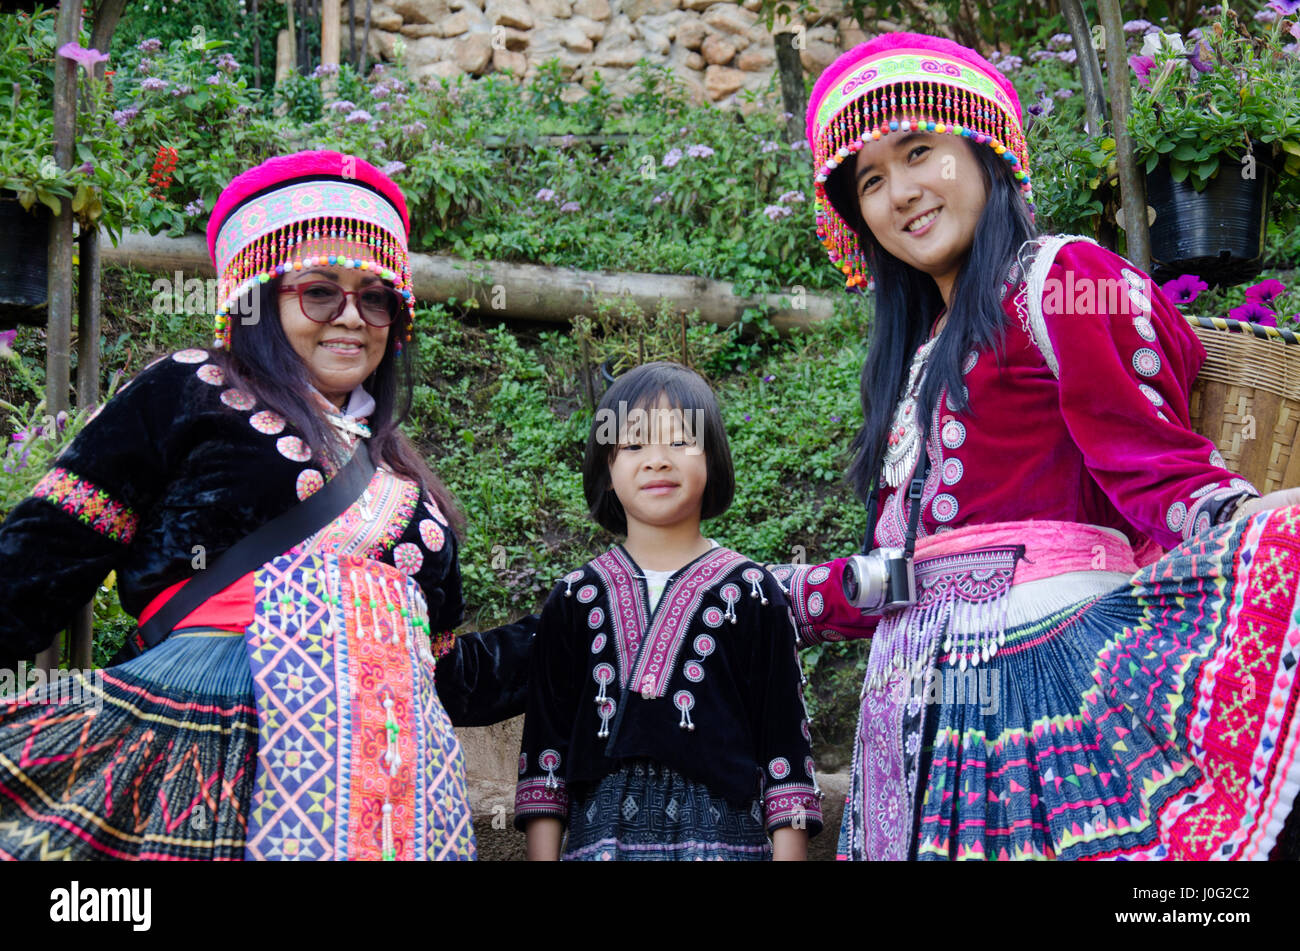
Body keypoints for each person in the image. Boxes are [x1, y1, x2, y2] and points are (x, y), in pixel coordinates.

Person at [768, 32, 1300, 860]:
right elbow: (901, 568)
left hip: (1037, 686)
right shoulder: (911, 354)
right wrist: (778, 594)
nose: (901, 191)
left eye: (920, 151)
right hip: (911, 709)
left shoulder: (1061, 278)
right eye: (870, 180)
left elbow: (1154, 466)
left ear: (984, 147)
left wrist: (1252, 523)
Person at [0, 150, 535, 860]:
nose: (352, 316)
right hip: (208, 751)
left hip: (390, 801)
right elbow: (43, 558)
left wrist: (580, 623)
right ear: (258, 298)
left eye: (375, 297)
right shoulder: (192, 389)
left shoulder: (411, 488)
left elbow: (449, 677)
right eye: (320, 291)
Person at [514, 361, 820, 860]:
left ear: (713, 459)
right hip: (599, 845)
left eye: (679, 441)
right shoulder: (574, 598)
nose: (657, 460)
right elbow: (544, 756)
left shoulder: (753, 592)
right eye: (633, 446)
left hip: (728, 846)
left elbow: (784, 747)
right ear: (606, 471)